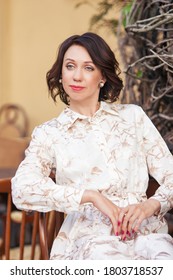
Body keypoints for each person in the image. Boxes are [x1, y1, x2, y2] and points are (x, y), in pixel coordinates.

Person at [12, 32, 173, 260]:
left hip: (147, 236)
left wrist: (151, 205)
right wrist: (91, 196)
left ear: (103, 77)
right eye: (70, 66)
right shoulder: (49, 133)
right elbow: (22, 190)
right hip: (89, 241)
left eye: (88, 68)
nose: (77, 76)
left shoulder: (133, 118)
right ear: (61, 75)